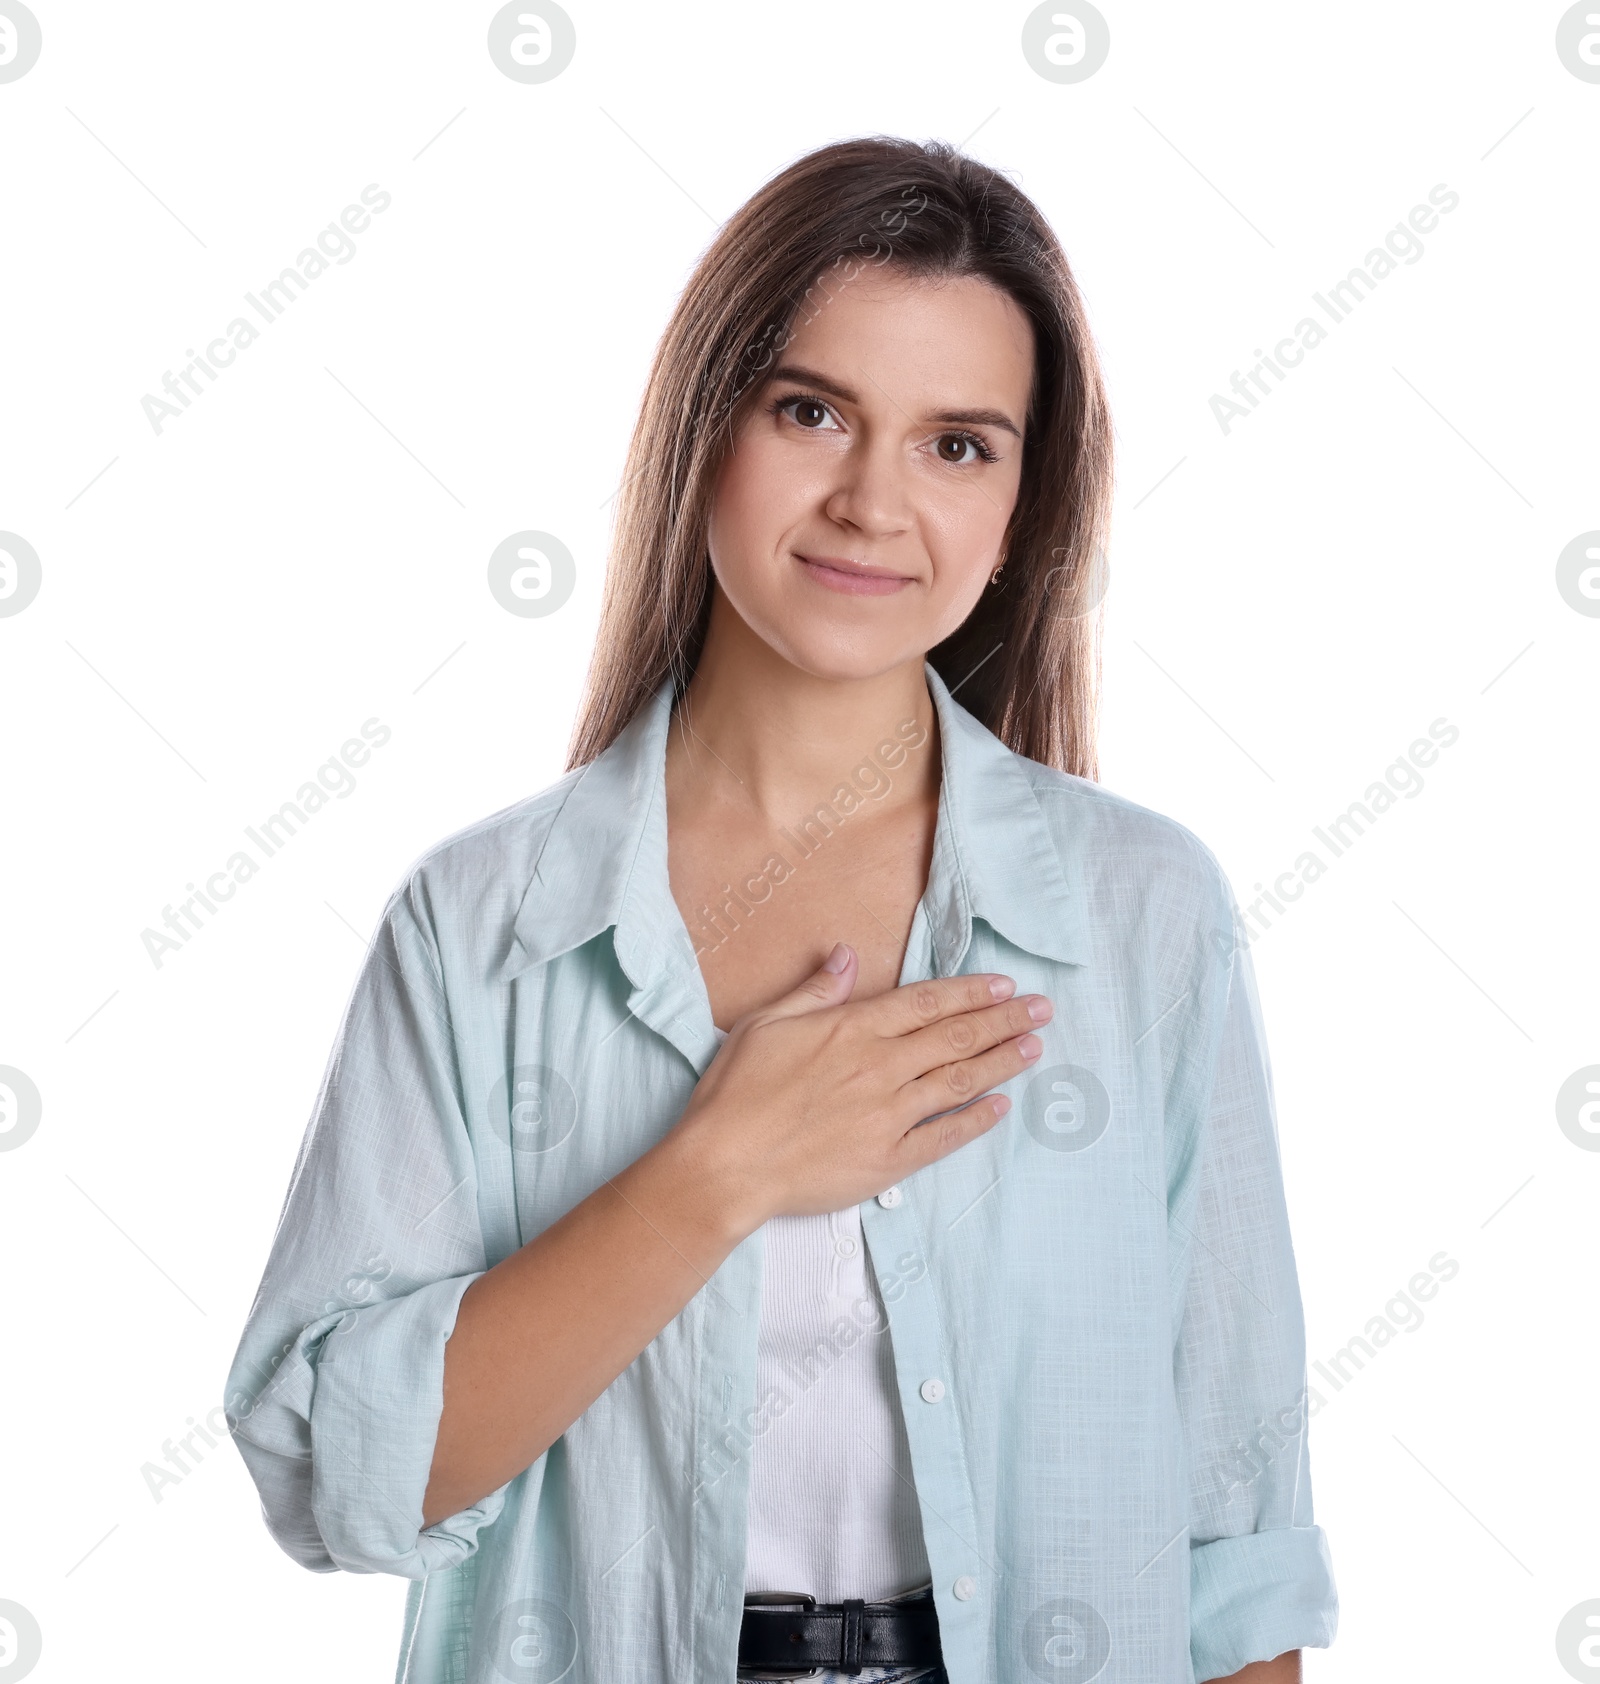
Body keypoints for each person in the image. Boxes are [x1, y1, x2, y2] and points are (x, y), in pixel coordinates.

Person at [225, 136, 1337, 1684]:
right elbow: (334, 1476)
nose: (873, 502)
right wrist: (718, 1172)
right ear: (707, 432)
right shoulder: (481, 925)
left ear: (1024, 508)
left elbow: (1238, 1527)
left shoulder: (1143, 914)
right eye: (811, 411)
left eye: (960, 445)